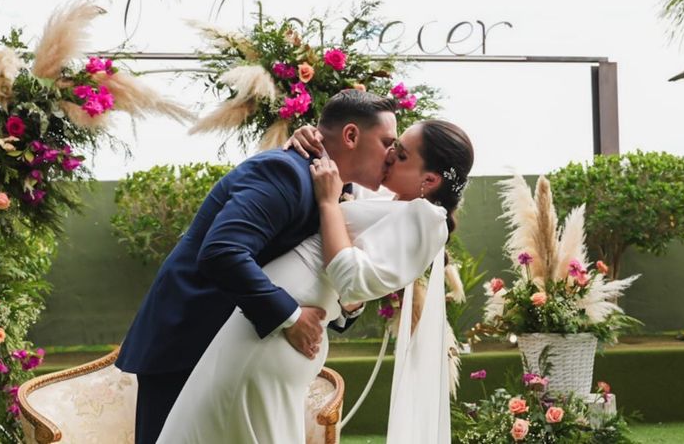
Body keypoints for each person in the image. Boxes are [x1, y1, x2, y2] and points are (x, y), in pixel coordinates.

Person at [156, 119, 474, 444]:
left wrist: (327, 202)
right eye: (392, 145)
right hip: (267, 329)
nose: (390, 155)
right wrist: (315, 138)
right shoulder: (392, 204)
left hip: (275, 340)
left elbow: (352, 280)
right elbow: (344, 172)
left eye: (402, 154)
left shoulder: (427, 219)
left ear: (430, 179)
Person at [115, 90, 400, 444]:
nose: (393, 154)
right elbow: (222, 251)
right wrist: (292, 317)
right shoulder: (285, 172)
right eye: (387, 141)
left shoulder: (343, 190)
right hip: (189, 344)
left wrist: (346, 305)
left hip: (240, 361)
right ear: (352, 135)